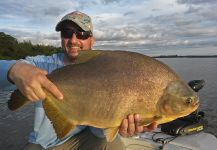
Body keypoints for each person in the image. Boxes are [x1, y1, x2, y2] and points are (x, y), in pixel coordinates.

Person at [0, 11, 157, 150]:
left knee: (113, 144)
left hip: (89, 137)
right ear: (62, 37)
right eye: (67, 33)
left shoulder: (105, 69)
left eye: (81, 34)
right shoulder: (42, 65)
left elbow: (99, 131)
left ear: (92, 40)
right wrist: (14, 70)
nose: (73, 40)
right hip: (46, 143)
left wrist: (118, 124)